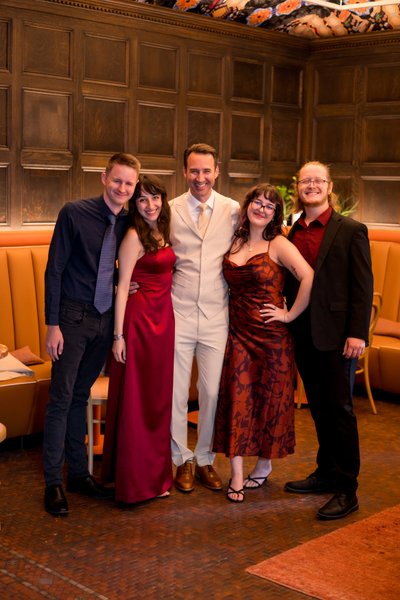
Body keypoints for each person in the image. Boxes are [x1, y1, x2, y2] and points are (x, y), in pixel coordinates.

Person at [43, 152, 141, 516]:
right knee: (61, 396)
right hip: (71, 317)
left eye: (129, 183)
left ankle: (79, 475)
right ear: (104, 178)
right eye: (117, 180)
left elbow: (126, 264)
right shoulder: (74, 213)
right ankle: (53, 482)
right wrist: (52, 325)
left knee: (79, 396)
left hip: (104, 320)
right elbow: (54, 270)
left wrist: (123, 284)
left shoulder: (131, 222)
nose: (122, 188)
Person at [282, 160, 373, 520]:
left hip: (338, 336)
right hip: (302, 332)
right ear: (298, 188)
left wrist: (357, 333)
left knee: (340, 410)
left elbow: (362, 287)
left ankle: (347, 488)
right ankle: (325, 472)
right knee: (318, 408)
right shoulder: (289, 231)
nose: (312, 186)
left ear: (329, 186)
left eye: (318, 181)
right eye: (306, 181)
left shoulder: (351, 229)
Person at [213, 184, 314, 503]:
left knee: (270, 403)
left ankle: (265, 463)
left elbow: (309, 276)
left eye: (268, 206)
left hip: (272, 339)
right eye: (256, 202)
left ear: (275, 215)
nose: (261, 209)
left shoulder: (279, 244)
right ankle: (237, 475)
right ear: (247, 207)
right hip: (238, 334)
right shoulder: (235, 240)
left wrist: (289, 315)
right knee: (238, 402)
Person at [170, 143, 240, 492]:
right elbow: (151, 253)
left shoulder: (233, 210)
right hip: (177, 311)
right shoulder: (170, 210)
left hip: (216, 314)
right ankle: (180, 459)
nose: (200, 178)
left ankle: (205, 459)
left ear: (217, 172)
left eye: (206, 171)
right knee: (176, 392)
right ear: (184, 172)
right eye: (193, 171)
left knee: (211, 392)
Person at [101, 175, 175, 503]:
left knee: (157, 401)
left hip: (164, 322)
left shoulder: (163, 230)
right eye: (142, 199)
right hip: (139, 323)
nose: (150, 205)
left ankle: (156, 478)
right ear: (135, 204)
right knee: (137, 401)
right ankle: (134, 483)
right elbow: (121, 289)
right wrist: (118, 336)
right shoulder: (133, 235)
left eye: (155, 197)